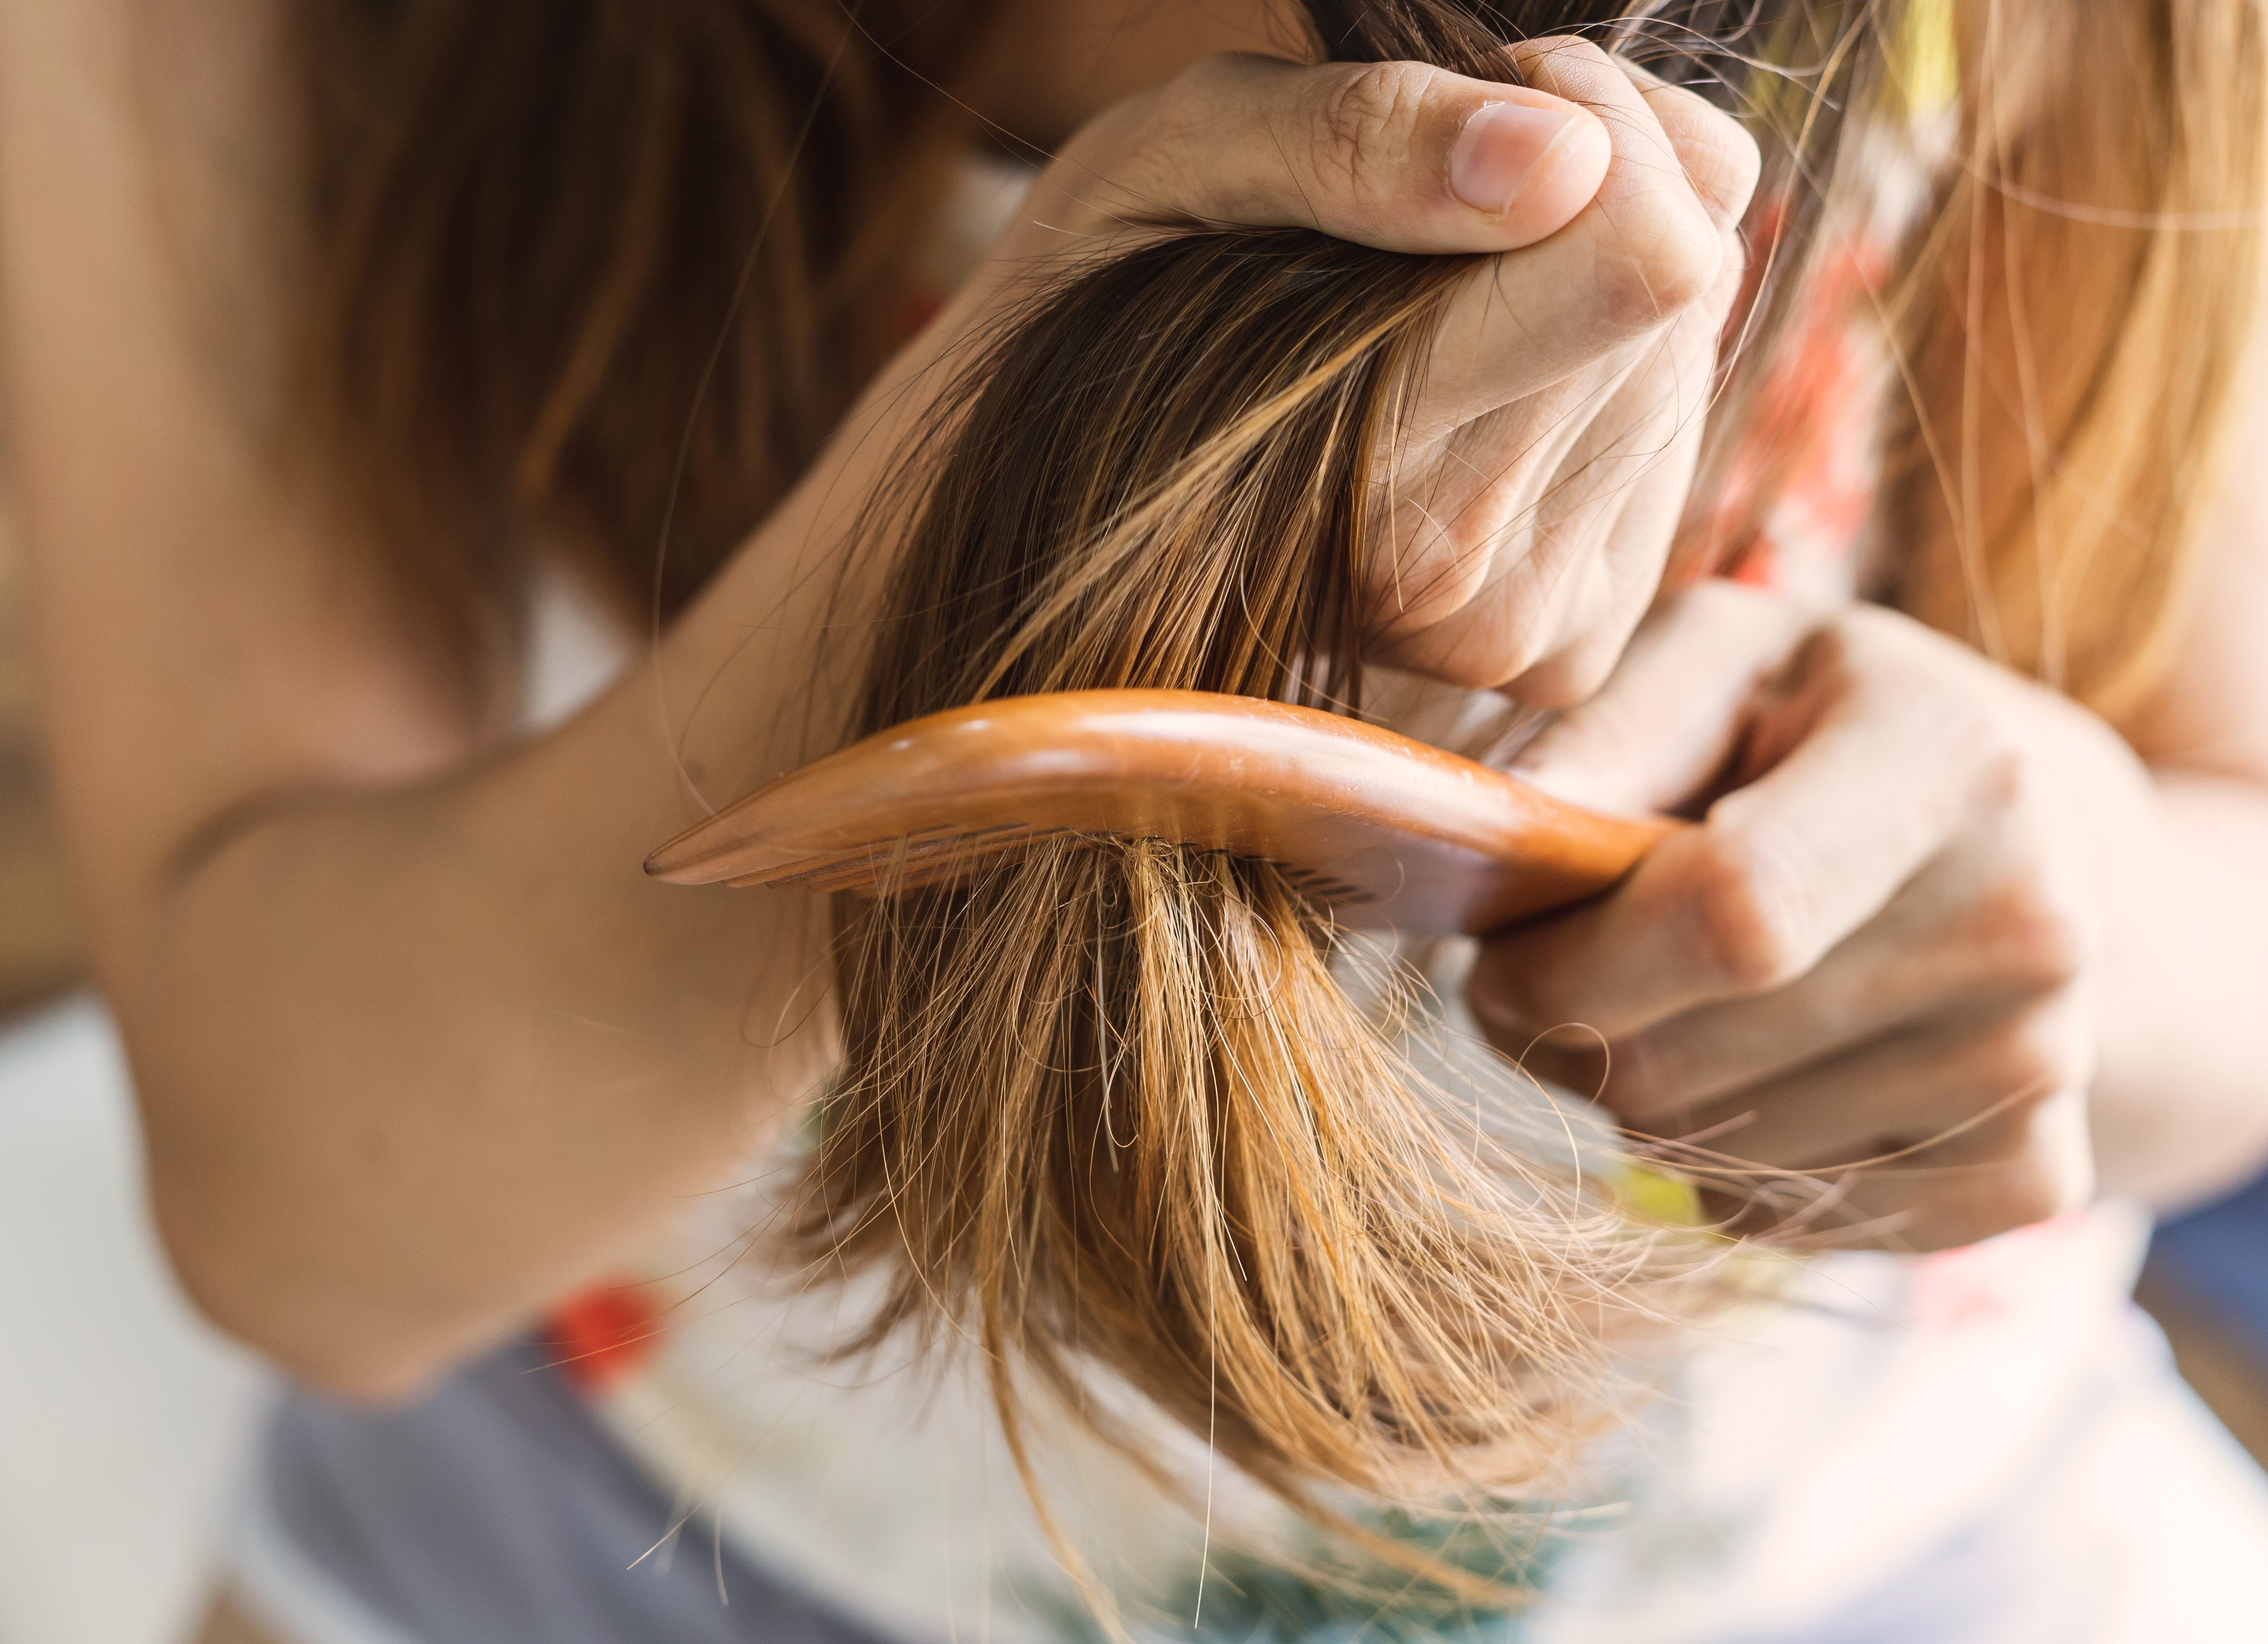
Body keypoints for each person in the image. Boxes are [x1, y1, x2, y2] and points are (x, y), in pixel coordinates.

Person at [2, 2, 2266, 1641]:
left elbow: (2233, 892)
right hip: (601, 1546)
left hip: (1858, 1555)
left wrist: (2078, 913)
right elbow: (301, 1223)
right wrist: (975, 522)